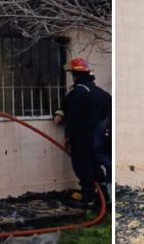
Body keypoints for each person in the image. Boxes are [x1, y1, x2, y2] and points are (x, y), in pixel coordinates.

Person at [52, 57, 110, 208]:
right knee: (95, 164)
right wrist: (60, 112)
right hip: (98, 137)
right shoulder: (99, 92)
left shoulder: (78, 92)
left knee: (82, 165)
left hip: (81, 137)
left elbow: (73, 116)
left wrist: (67, 136)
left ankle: (88, 196)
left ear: (74, 75)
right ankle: (103, 195)